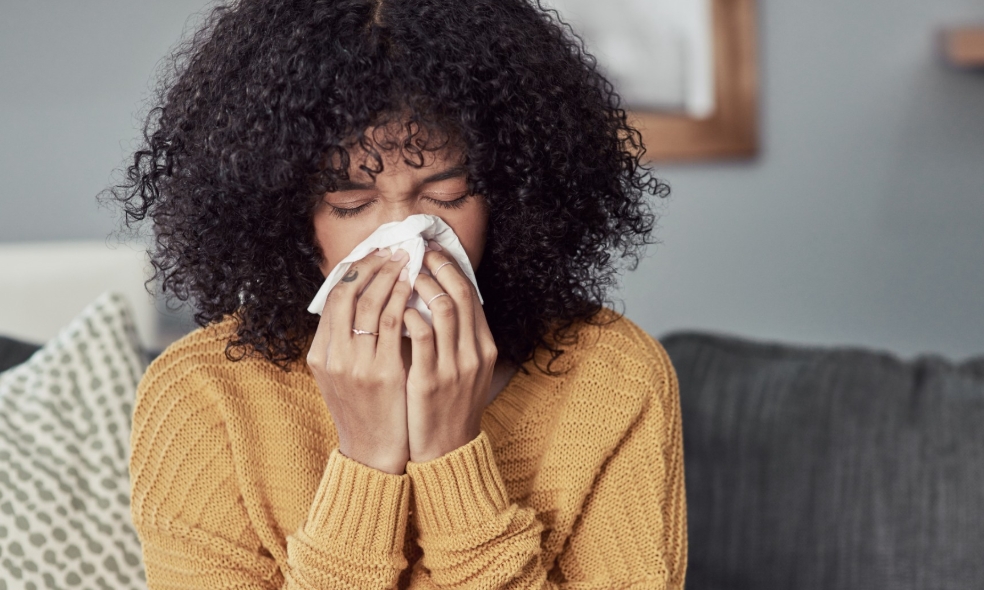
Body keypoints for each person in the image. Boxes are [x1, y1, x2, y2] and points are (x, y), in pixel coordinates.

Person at [114, 0, 687, 587]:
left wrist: (452, 458)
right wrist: (365, 462)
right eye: (351, 204)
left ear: (510, 196)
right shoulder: (204, 397)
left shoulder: (614, 378)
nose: (404, 238)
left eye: (447, 194)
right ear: (286, 214)